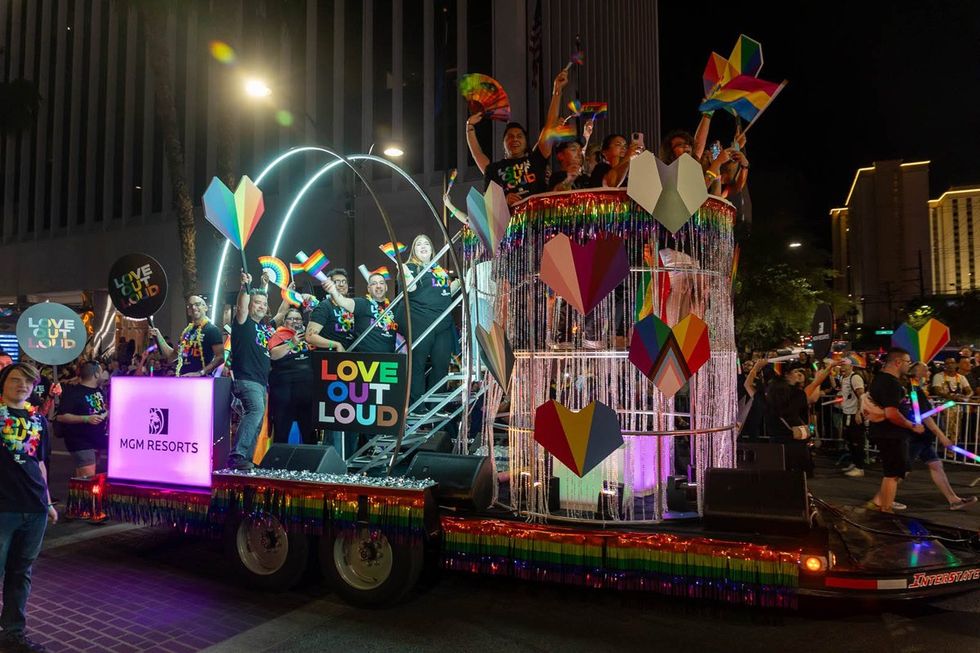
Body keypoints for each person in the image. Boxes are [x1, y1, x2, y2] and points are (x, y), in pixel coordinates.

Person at [0, 363, 57, 653]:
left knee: (20, 572)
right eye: (14, 379)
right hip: (3, 508)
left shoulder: (38, 422)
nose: (21, 385)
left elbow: (41, 463)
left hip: (34, 507)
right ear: (3, 383)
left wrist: (47, 502)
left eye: (27, 381)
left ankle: (13, 634)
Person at [465, 70, 569, 206]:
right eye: (510, 137)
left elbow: (549, 126)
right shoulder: (494, 169)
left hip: (537, 220)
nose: (515, 139)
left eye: (519, 136)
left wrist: (557, 91)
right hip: (509, 224)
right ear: (503, 143)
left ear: (526, 142)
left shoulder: (537, 159)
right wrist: (469, 126)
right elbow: (477, 154)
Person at [400, 234, 460, 411]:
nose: (423, 246)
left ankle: (435, 405)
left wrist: (459, 282)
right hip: (421, 322)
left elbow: (443, 293)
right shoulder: (409, 266)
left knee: (441, 364)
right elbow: (411, 288)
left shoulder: (438, 269)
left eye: (426, 243)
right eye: (419, 244)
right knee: (417, 364)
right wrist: (402, 270)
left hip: (442, 321)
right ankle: (417, 406)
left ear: (432, 249)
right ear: (414, 250)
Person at [906, 362, 977, 510]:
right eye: (925, 370)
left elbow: (924, 413)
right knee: (899, 471)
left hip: (922, 437)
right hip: (915, 437)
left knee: (936, 465)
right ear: (917, 372)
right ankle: (880, 499)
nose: (929, 372)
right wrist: (942, 436)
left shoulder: (914, 388)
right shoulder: (914, 389)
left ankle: (954, 500)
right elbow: (925, 416)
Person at [866, 348, 923, 513]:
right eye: (907, 362)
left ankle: (882, 505)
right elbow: (891, 413)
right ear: (897, 362)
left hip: (887, 433)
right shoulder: (890, 383)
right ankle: (886, 509)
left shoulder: (880, 380)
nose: (909, 365)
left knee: (892, 472)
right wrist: (912, 425)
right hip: (891, 433)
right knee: (893, 474)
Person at [227, 273, 273, 470]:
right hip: (247, 379)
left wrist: (263, 287)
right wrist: (245, 287)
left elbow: (273, 311)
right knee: (255, 411)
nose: (261, 306)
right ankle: (237, 455)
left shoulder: (261, 328)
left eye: (264, 303)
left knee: (257, 417)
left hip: (261, 381)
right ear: (249, 305)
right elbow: (242, 305)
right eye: (257, 303)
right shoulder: (243, 322)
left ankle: (246, 459)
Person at [764, 365, 831, 476]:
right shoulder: (798, 394)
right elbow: (815, 390)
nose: (799, 374)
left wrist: (756, 368)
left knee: (780, 474)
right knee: (798, 475)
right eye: (795, 371)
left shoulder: (770, 393)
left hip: (776, 440)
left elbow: (748, 385)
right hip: (795, 440)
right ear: (786, 375)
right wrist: (823, 373)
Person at [268, 307, 315, 445]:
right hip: (284, 390)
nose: (295, 321)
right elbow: (273, 355)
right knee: (282, 429)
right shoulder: (278, 334)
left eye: (298, 319)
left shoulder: (307, 336)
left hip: (306, 390)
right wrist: (291, 343)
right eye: (291, 319)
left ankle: (311, 464)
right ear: (284, 321)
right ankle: (277, 464)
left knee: (309, 430)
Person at [54, 361, 108, 479]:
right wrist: (86, 419)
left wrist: (106, 413)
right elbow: (61, 416)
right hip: (80, 441)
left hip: (96, 438)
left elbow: (101, 409)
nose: (103, 375)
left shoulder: (99, 391)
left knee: (84, 478)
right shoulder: (73, 393)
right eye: (101, 371)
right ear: (96, 374)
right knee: (87, 479)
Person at [323, 272, 398, 354]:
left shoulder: (394, 305)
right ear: (368, 289)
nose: (378, 286)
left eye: (381, 283)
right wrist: (333, 290)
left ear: (386, 287)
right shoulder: (361, 303)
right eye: (374, 284)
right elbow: (342, 301)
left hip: (389, 359)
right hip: (364, 359)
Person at [149, 295, 224, 377]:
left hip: (202, 381)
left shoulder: (212, 330)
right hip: (184, 378)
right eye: (190, 306)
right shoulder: (186, 332)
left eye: (197, 304)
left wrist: (200, 373)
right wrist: (158, 336)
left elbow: (220, 357)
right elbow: (172, 356)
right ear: (188, 311)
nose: (194, 307)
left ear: (205, 308)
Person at [306, 268, 355, 353]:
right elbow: (310, 337)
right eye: (337, 282)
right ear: (329, 285)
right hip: (330, 358)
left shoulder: (351, 306)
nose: (341, 285)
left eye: (344, 281)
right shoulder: (324, 306)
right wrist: (336, 345)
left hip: (351, 357)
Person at [838, 357, 868, 477]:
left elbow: (861, 396)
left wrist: (858, 413)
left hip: (854, 414)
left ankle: (859, 467)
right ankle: (855, 463)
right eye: (841, 365)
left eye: (845, 365)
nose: (842, 367)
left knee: (856, 440)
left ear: (851, 366)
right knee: (850, 440)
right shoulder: (843, 378)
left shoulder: (855, 378)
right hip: (847, 412)